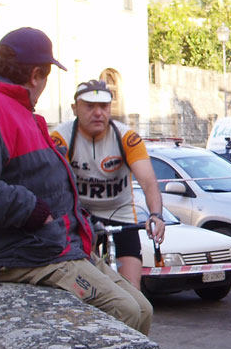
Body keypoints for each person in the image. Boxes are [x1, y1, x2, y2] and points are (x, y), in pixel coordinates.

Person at [0, 27, 152, 335]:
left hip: (53, 243)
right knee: (127, 313)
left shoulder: (17, 109)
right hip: (20, 252)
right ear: (36, 74)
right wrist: (34, 211)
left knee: (143, 308)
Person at [51, 80, 165, 288]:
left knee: (132, 288)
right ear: (75, 108)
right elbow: (53, 185)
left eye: (104, 106)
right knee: (85, 285)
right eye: (89, 106)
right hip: (81, 214)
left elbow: (148, 183)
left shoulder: (126, 138)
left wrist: (156, 215)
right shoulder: (61, 137)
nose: (98, 113)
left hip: (120, 213)